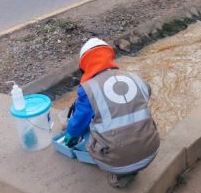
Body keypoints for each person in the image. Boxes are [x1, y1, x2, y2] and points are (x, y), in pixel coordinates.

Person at [64, 38, 160, 188]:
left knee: (89, 127)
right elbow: (146, 94)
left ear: (85, 64)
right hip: (152, 150)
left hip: (119, 163)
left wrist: (70, 133)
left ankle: (120, 174)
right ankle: (130, 161)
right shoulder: (135, 78)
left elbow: (78, 122)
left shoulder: (88, 89)